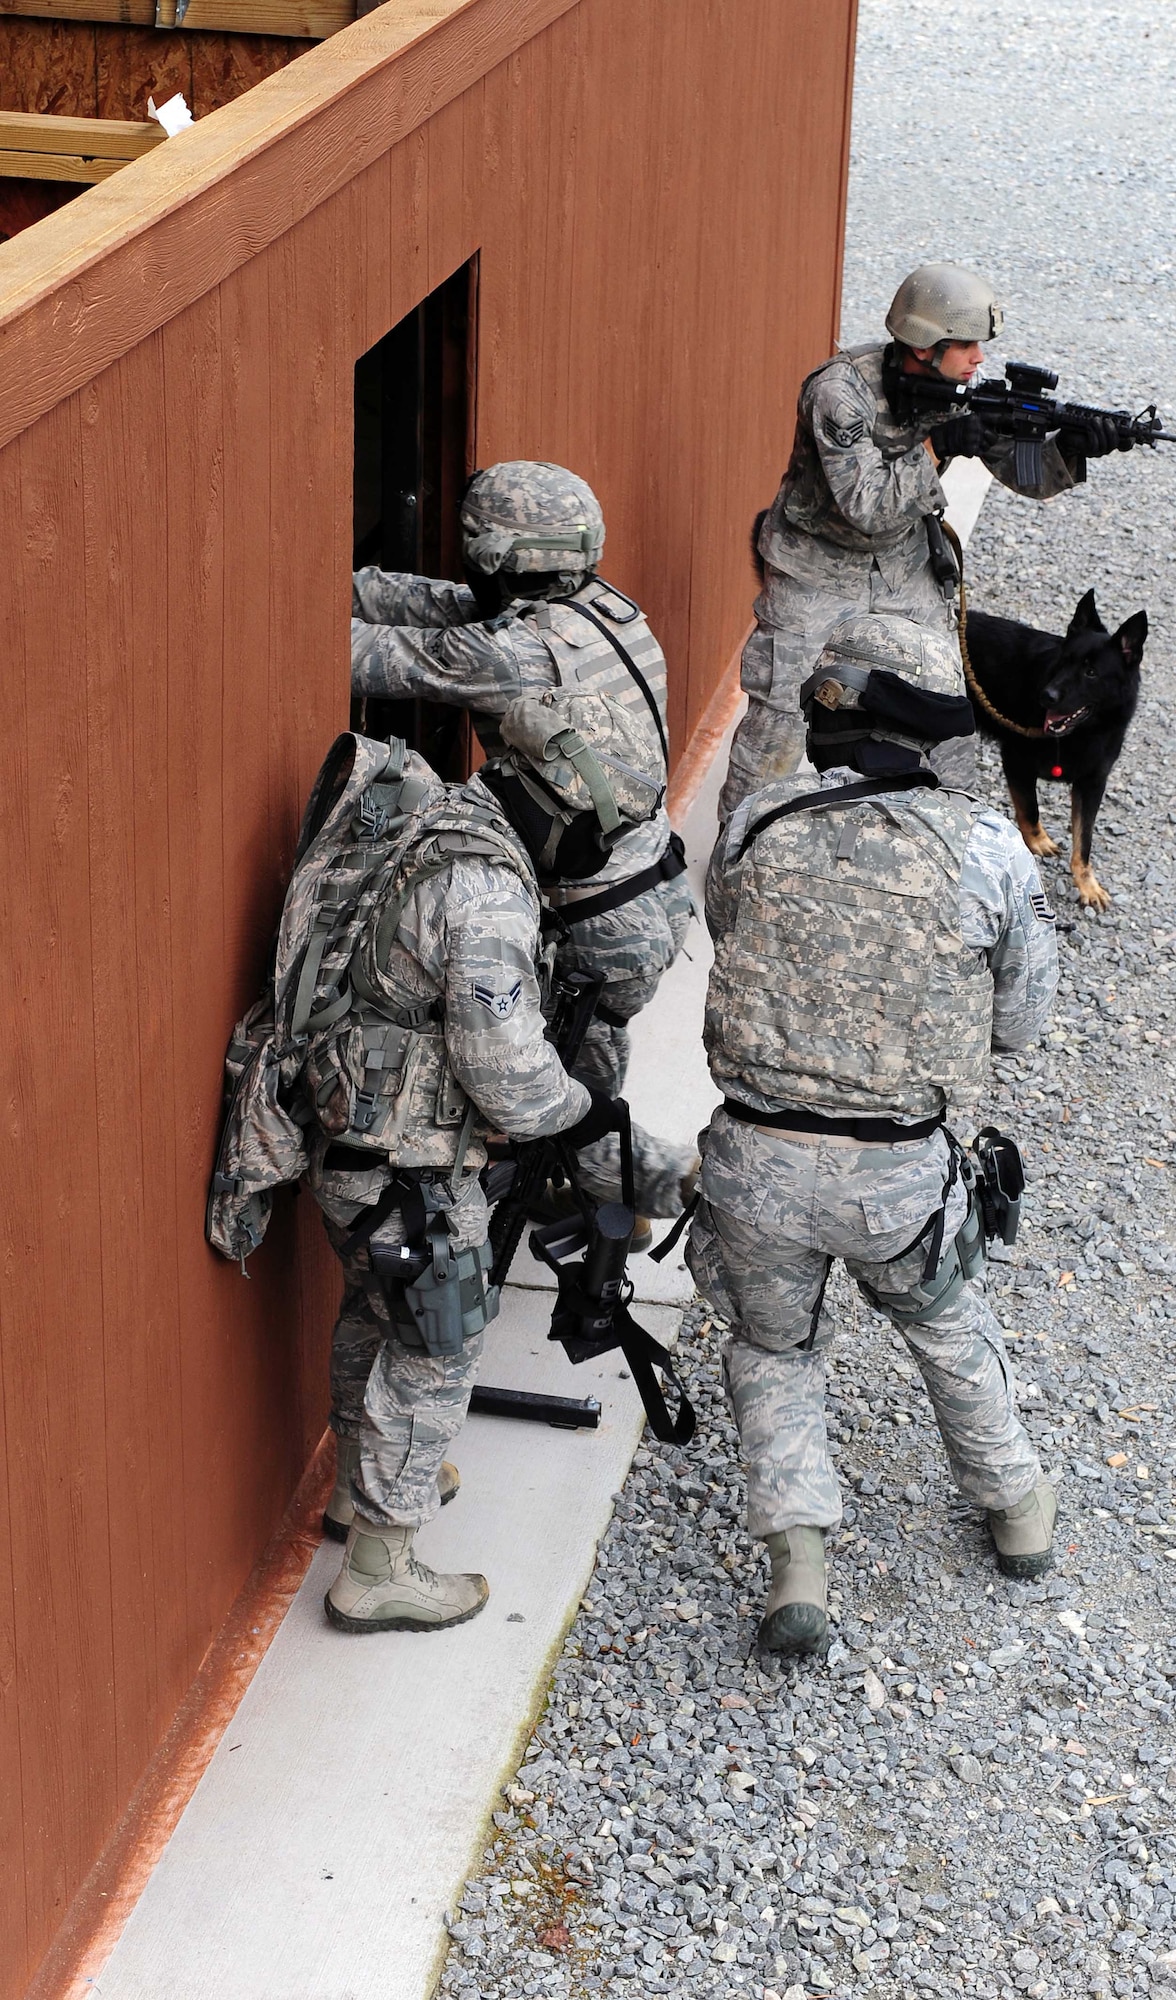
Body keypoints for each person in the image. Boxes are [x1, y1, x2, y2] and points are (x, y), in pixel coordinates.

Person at [214, 692, 658, 1633]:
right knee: (437, 1348)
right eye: (584, 829)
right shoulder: (489, 893)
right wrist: (587, 1113)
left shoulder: (430, 816)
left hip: (348, 1151)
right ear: (546, 805)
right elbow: (512, 1084)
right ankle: (381, 1564)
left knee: (375, 1320)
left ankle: (354, 1492)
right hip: (415, 1175)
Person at [688, 609, 1060, 1655]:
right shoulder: (982, 845)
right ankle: (1016, 1509)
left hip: (752, 1161)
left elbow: (730, 930)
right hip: (897, 1174)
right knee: (945, 1323)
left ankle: (796, 1564)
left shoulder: (758, 817)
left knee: (772, 1347)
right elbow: (1023, 1022)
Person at [350, 461, 696, 1231]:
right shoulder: (603, 610)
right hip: (645, 892)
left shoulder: (513, 654)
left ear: (498, 551)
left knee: (554, 1086)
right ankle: (608, 1188)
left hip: (598, 919)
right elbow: (437, 605)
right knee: (575, 1069)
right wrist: (344, 578)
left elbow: (368, 655)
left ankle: (668, 1187)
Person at [719, 261, 1128, 817]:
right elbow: (865, 505)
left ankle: (939, 836)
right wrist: (936, 448)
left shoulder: (957, 390)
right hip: (814, 569)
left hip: (903, 565)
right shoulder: (840, 394)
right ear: (924, 345)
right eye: (966, 346)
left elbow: (1024, 474)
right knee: (780, 719)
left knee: (942, 705)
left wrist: (1073, 446)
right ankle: (739, 847)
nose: (979, 360)